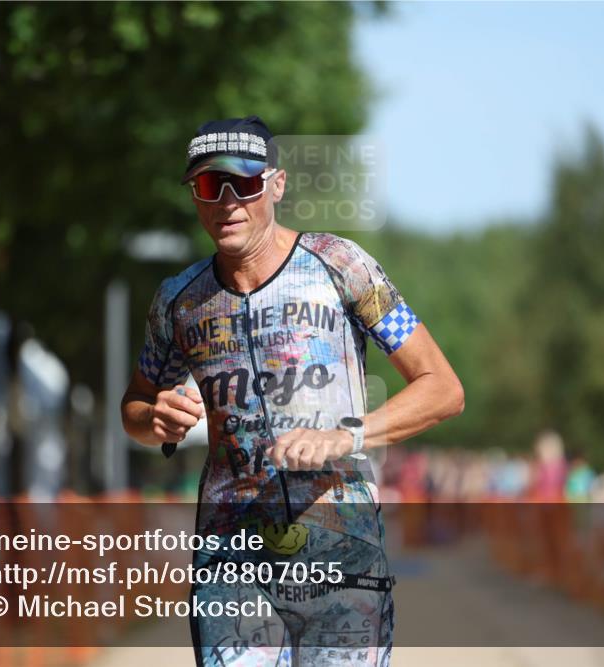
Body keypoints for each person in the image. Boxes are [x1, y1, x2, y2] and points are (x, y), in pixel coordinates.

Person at [121, 116, 464, 666]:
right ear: (194, 196)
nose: (228, 202)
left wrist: (345, 437)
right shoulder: (178, 300)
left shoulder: (341, 267)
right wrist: (152, 417)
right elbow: (135, 408)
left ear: (276, 186)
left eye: (245, 184)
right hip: (230, 562)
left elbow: (442, 388)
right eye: (210, 186)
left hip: (342, 555)